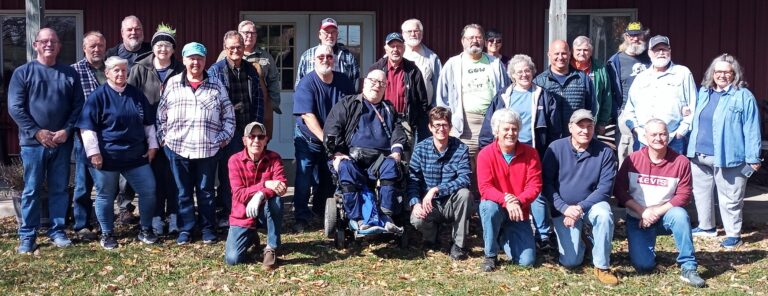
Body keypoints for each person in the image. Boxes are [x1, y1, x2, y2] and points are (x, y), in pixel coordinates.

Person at [8, 28, 84, 253]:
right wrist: (37, 132)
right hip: (33, 144)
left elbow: (78, 106)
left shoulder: (69, 73)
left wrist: (67, 130)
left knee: (60, 189)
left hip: (62, 142)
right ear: (35, 45)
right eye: (44, 41)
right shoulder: (23, 73)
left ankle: (57, 231)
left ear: (59, 46)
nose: (49, 44)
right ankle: (27, 235)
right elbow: (15, 108)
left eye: (53, 41)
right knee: (31, 189)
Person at [478, 54, 561, 252]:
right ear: (512, 75)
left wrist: (551, 153)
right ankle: (502, 231)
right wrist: (487, 148)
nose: (524, 74)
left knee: (537, 192)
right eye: (519, 71)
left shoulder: (543, 95)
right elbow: (491, 125)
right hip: (506, 149)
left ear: (533, 72)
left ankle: (543, 235)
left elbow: (554, 128)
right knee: (502, 191)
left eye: (527, 70)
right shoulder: (503, 95)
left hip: (534, 151)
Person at [157, 42, 235, 245]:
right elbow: (161, 115)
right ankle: (186, 229)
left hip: (207, 148)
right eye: (191, 58)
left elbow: (229, 116)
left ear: (205, 61)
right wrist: (165, 139)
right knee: (183, 192)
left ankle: (208, 228)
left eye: (199, 58)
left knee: (206, 191)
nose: (196, 62)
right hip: (178, 148)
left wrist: (222, 139)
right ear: (184, 60)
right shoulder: (173, 83)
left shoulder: (216, 84)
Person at [77, 56, 158, 249]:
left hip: (135, 156)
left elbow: (148, 124)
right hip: (107, 157)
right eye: (116, 70)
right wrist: (94, 153)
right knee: (105, 194)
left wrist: (153, 145)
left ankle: (145, 229)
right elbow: (87, 129)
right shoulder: (98, 96)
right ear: (107, 73)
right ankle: (107, 233)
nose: (121, 74)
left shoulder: (136, 95)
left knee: (149, 190)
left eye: (124, 70)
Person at [614, 119, 706, 288]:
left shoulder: (680, 162)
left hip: (666, 216)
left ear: (668, 135)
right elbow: (619, 191)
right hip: (638, 218)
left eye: (663, 134)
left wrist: (655, 212)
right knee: (643, 266)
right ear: (645, 137)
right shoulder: (632, 160)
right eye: (654, 134)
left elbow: (684, 195)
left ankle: (688, 267)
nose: (659, 138)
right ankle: (644, 249)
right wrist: (642, 211)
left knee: (680, 215)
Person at [687, 54, 762, 249]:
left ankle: (733, 234)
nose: (721, 75)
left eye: (726, 72)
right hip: (698, 154)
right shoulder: (703, 92)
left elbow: (752, 128)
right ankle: (706, 227)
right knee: (701, 194)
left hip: (729, 156)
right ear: (712, 73)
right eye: (718, 71)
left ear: (734, 74)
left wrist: (753, 157)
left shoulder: (743, 96)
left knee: (731, 197)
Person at [324, 69, 407, 232]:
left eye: (382, 83)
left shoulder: (389, 109)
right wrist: (338, 153)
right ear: (365, 83)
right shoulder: (348, 103)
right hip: (352, 156)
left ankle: (386, 215)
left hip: (381, 159)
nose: (377, 86)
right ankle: (358, 218)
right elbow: (332, 129)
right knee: (345, 168)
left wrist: (396, 150)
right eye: (373, 81)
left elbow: (398, 131)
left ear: (385, 88)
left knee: (392, 165)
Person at [542, 109, 618, 285]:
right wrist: (564, 208)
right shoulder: (556, 148)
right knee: (571, 262)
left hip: (591, 206)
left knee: (604, 215)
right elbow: (546, 183)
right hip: (564, 209)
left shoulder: (605, 152)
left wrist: (579, 208)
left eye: (589, 126)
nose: (585, 131)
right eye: (580, 126)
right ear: (570, 127)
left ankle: (602, 266)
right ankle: (586, 240)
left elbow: (605, 189)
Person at [435, 24, 509, 187]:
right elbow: (442, 97)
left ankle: (486, 203)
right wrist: (448, 123)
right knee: (463, 166)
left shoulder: (495, 64)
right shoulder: (453, 64)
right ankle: (467, 204)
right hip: (464, 123)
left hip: (491, 122)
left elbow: (506, 93)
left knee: (491, 165)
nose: (474, 41)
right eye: (470, 38)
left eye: (478, 37)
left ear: (483, 40)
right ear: (462, 41)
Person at [128, 23, 185, 236]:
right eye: (159, 45)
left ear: (173, 49)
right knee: (153, 179)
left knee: (174, 177)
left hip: (175, 133)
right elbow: (130, 99)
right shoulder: (140, 68)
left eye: (168, 46)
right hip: (148, 133)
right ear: (153, 47)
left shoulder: (181, 69)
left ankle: (174, 216)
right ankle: (155, 217)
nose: (163, 49)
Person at [292, 44, 355, 232]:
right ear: (314, 60)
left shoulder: (344, 82)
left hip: (334, 139)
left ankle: (321, 212)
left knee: (329, 177)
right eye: (321, 57)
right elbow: (308, 116)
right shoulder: (306, 83)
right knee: (304, 177)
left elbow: (352, 109)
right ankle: (301, 217)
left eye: (329, 57)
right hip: (309, 138)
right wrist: (326, 140)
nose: (325, 60)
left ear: (334, 60)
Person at [209, 30, 266, 228]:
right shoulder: (215, 71)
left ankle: (249, 209)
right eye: (231, 47)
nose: (235, 50)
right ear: (225, 49)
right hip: (227, 130)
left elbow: (259, 99)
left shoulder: (251, 70)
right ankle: (228, 211)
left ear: (244, 48)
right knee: (229, 172)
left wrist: (258, 129)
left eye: (239, 47)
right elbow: (213, 103)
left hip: (247, 129)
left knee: (249, 171)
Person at [477, 109, 541, 272]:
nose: (510, 133)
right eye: (506, 129)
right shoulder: (485, 154)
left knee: (526, 261)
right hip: (497, 207)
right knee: (488, 207)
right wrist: (506, 200)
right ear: (496, 131)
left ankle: (503, 236)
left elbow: (535, 186)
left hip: (518, 212)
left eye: (514, 129)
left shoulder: (531, 154)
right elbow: (485, 188)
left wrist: (518, 201)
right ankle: (490, 255)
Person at [408, 106, 472, 260]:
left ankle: (458, 244)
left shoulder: (461, 148)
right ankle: (431, 238)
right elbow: (413, 181)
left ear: (450, 127)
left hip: (452, 201)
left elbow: (465, 178)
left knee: (465, 194)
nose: (441, 129)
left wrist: (436, 189)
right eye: (437, 125)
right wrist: (415, 203)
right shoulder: (420, 149)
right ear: (430, 127)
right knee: (416, 219)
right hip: (430, 204)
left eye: (444, 125)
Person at [107, 15, 152, 223]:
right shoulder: (112, 54)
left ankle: (150, 208)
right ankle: (124, 207)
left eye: (138, 29)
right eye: (129, 30)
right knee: (124, 167)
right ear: (122, 33)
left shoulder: (151, 51)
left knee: (145, 164)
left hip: (147, 114)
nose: (134, 33)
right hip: (121, 118)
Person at [225, 121, 286, 270]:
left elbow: (281, 186)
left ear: (266, 140)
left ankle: (271, 248)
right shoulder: (234, 160)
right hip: (243, 214)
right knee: (233, 259)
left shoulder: (275, 158)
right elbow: (238, 193)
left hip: (265, 211)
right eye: (252, 136)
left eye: (260, 136)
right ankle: (251, 236)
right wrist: (264, 185)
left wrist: (261, 194)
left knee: (276, 201)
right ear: (245, 140)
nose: (256, 140)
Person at [621, 35, 696, 154]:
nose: (661, 53)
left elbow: (693, 106)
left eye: (664, 49)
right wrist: (636, 131)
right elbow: (629, 109)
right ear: (650, 53)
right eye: (656, 50)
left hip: (673, 140)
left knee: (673, 173)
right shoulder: (641, 77)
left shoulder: (683, 73)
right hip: (643, 141)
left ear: (670, 51)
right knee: (642, 173)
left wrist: (680, 132)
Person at [70, 31, 107, 241]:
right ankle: (81, 224)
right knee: (83, 183)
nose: (96, 49)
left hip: (109, 135)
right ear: (84, 48)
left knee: (106, 182)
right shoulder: (74, 71)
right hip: (84, 135)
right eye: (92, 46)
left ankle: (104, 222)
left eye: (100, 45)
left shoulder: (110, 69)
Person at [368, 32, 430, 145]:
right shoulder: (375, 69)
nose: (395, 49)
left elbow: (422, 101)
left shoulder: (413, 71)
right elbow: (367, 96)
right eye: (392, 46)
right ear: (386, 49)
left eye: (399, 46)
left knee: (404, 158)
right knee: (381, 153)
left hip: (404, 122)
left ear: (404, 48)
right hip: (380, 119)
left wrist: (415, 122)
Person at [606, 22, 652, 163]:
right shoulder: (615, 61)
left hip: (650, 113)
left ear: (643, 35)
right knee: (627, 156)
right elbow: (610, 90)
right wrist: (617, 113)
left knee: (649, 153)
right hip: (626, 115)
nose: (635, 39)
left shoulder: (652, 57)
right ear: (626, 37)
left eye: (638, 35)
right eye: (631, 36)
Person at [218, 20, 282, 117]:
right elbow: (218, 80)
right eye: (246, 33)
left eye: (253, 33)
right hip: (233, 107)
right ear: (239, 34)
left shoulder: (265, 56)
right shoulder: (226, 54)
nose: (250, 36)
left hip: (261, 107)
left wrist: (272, 104)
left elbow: (273, 80)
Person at [533, 40, 593, 132]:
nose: (560, 57)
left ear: (569, 54)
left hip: (576, 135)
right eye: (556, 54)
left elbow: (591, 107)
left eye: (564, 53)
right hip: (550, 137)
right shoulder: (539, 82)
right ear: (549, 55)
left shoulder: (583, 79)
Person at [295, 18, 359, 91]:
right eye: (326, 32)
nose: (330, 35)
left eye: (333, 32)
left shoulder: (348, 57)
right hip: (314, 100)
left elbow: (354, 85)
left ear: (337, 34)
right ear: (320, 35)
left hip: (342, 100)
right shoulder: (307, 56)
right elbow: (299, 85)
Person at [571, 36, 613, 136]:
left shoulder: (599, 68)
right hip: (570, 120)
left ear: (591, 51)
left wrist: (602, 122)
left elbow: (606, 95)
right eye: (578, 50)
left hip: (591, 121)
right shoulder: (567, 67)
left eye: (585, 50)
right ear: (572, 50)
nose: (582, 53)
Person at [401, 18, 442, 105]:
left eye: (416, 31)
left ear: (422, 34)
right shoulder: (394, 56)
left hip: (425, 111)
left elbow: (439, 85)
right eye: (409, 31)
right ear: (403, 34)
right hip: (399, 112)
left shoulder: (432, 58)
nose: (413, 34)